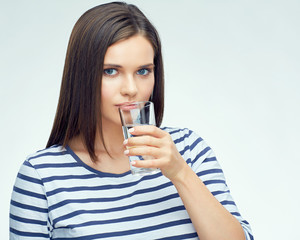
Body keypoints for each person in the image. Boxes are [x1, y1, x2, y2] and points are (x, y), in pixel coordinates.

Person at [10, 2, 253, 240]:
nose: (131, 88)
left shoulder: (189, 150)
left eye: (143, 71)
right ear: (81, 76)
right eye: (111, 71)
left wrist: (180, 172)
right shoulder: (41, 175)